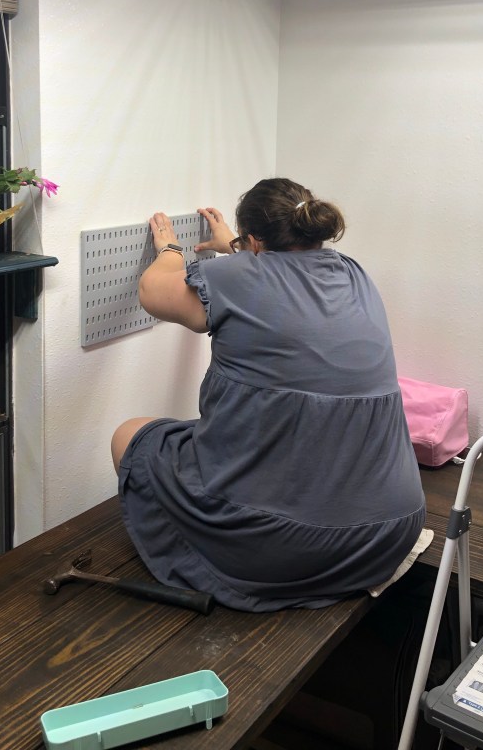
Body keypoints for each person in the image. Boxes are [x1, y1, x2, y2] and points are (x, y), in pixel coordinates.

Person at [112, 178, 426, 611]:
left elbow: (153, 292)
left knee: (130, 435)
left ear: (254, 242)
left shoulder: (238, 276)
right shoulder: (353, 274)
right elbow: (279, 284)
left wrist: (169, 250)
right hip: (387, 534)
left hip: (287, 548)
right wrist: (237, 248)